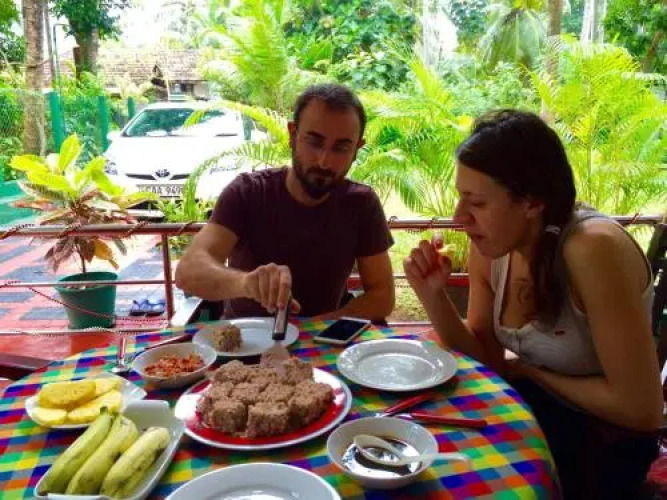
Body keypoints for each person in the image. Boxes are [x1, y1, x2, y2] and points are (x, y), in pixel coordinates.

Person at [404, 110, 662, 499]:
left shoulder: (592, 249)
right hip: (533, 413)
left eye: (477, 202)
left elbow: (641, 409)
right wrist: (432, 295)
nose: (459, 217)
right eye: (461, 197)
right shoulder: (493, 247)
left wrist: (531, 371)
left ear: (532, 202)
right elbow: (487, 358)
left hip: (603, 446)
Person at [175, 84, 395, 321]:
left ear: (357, 149)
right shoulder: (247, 193)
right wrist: (247, 283)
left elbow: (382, 296)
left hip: (325, 338)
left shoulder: (361, 203)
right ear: (292, 135)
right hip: (244, 339)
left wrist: (319, 326)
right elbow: (188, 272)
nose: (324, 161)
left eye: (341, 148)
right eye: (314, 142)